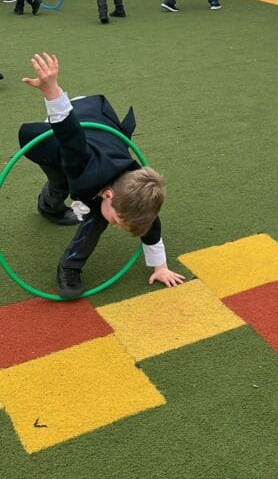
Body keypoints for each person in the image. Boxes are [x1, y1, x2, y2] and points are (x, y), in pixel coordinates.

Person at [19, 51, 186, 299]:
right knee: (60, 181)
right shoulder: (83, 163)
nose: (116, 226)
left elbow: (150, 223)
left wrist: (160, 267)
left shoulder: (136, 188)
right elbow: (70, 135)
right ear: (108, 194)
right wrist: (51, 89)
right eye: (118, 221)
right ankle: (49, 208)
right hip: (65, 132)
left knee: (97, 217)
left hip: (100, 135)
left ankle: (69, 267)